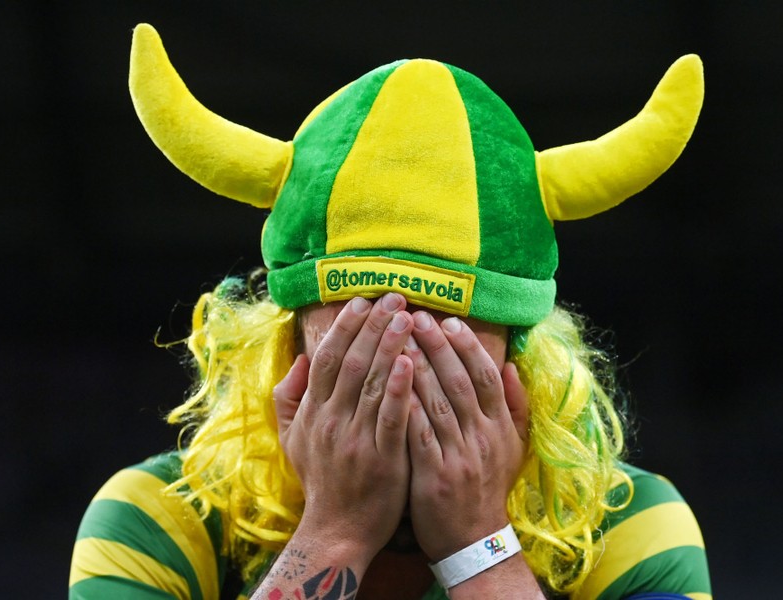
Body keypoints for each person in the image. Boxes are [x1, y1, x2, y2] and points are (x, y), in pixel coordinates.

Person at [69, 23, 711, 600]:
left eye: (447, 346)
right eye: (356, 342)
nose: (396, 379)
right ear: (286, 354)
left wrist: (479, 545)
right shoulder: (159, 519)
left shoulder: (632, 523)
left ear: (521, 365)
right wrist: (332, 532)